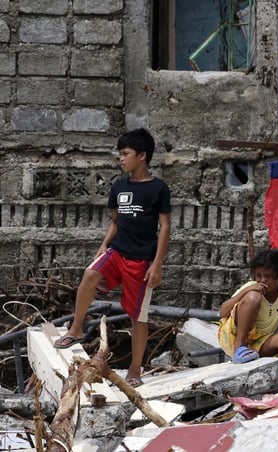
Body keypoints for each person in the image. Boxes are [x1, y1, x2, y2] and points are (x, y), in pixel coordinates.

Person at [54, 128, 171, 389]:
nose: (121, 158)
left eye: (125, 154)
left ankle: (135, 367)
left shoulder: (158, 188)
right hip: (117, 251)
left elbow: (164, 226)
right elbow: (116, 221)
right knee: (90, 274)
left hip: (142, 260)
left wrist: (157, 263)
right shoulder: (119, 186)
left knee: (137, 316)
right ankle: (76, 328)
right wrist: (103, 246)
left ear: (142, 156)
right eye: (120, 154)